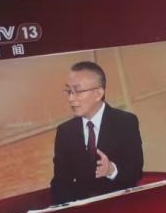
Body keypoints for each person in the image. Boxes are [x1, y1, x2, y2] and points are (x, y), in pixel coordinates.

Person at [50, 61, 144, 204]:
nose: (71, 98)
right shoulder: (65, 131)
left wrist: (111, 170)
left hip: (120, 206)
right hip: (81, 211)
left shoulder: (126, 122)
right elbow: (60, 182)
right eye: (68, 91)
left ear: (98, 93)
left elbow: (135, 171)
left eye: (77, 91)